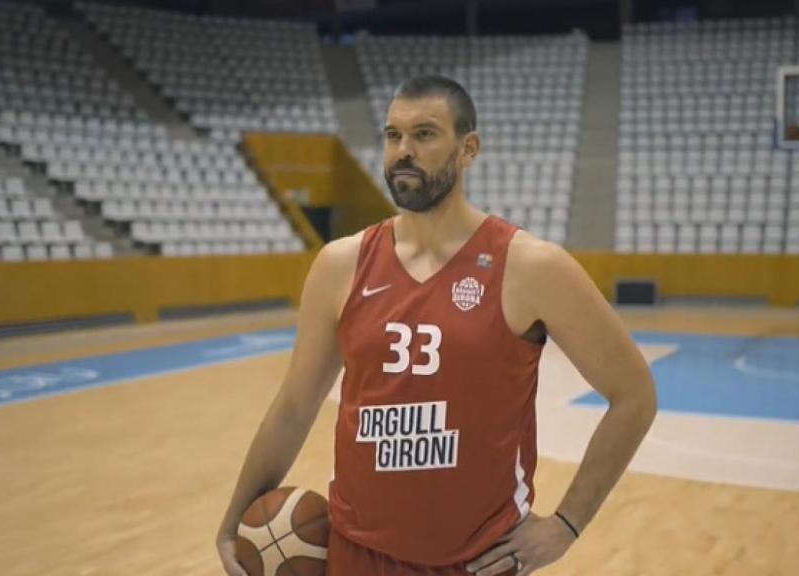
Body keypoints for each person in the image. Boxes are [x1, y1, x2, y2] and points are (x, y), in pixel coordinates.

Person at [216, 75, 657, 576]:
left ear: (468, 148)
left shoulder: (531, 266)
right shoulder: (340, 265)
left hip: (476, 562)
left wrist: (567, 525)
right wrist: (233, 522)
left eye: (424, 134)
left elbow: (635, 394)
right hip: (355, 554)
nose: (403, 150)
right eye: (392, 135)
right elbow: (294, 408)